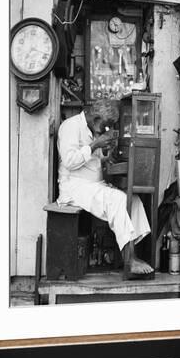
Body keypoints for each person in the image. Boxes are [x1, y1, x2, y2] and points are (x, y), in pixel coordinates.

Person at [57, 99, 153, 276]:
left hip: (93, 185)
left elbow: (94, 160)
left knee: (134, 200)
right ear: (95, 118)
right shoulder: (71, 126)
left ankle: (133, 253)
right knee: (117, 199)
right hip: (75, 187)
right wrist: (95, 145)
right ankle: (129, 259)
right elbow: (70, 161)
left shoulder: (94, 129)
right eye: (106, 124)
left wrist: (107, 155)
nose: (106, 129)